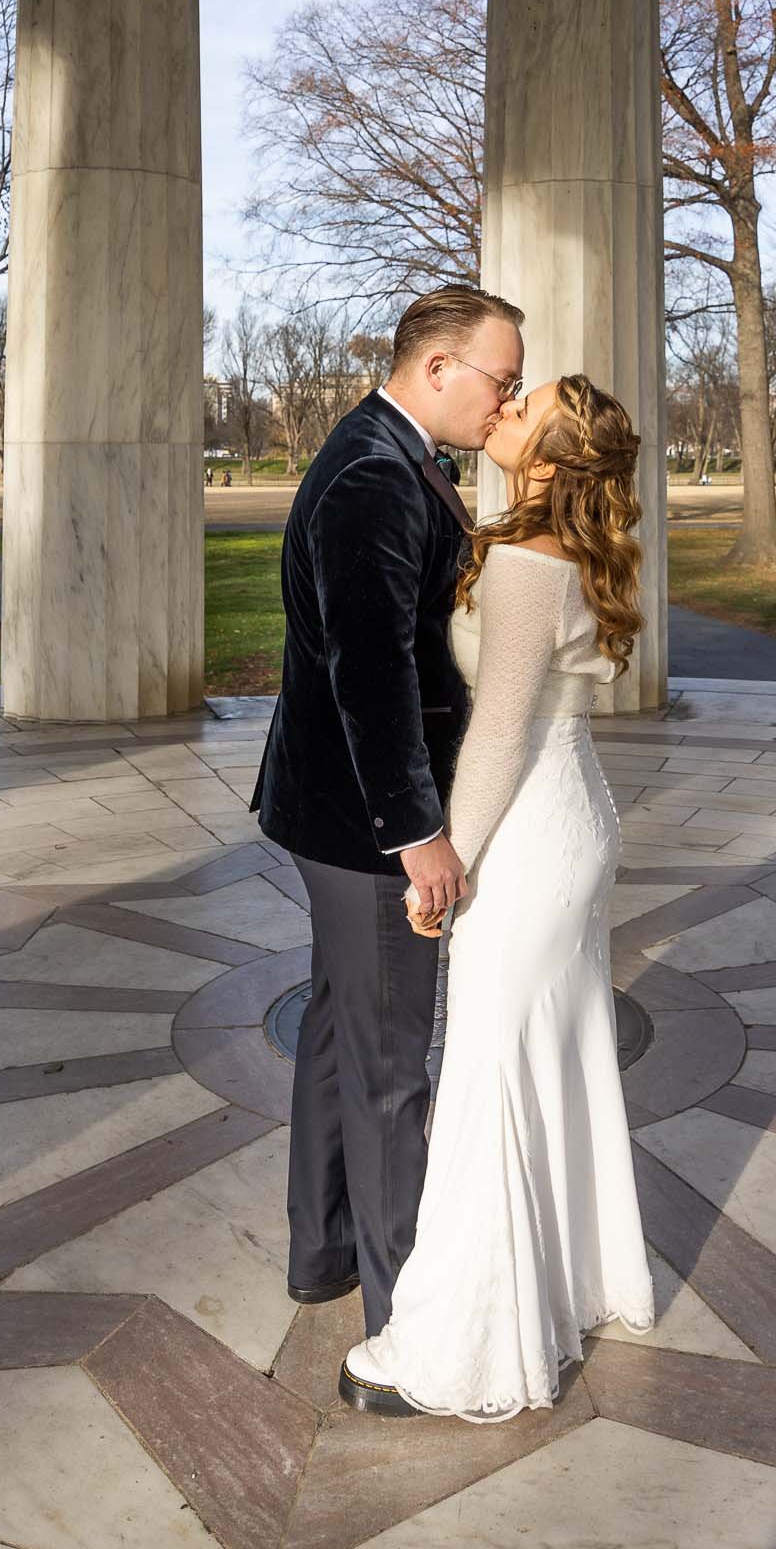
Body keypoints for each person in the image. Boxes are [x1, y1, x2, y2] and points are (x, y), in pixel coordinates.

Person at [340, 373, 656, 1420]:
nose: (504, 410)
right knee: (546, 1059)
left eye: (527, 410)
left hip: (523, 834)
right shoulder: (560, 551)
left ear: (555, 461)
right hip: (576, 818)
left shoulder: (525, 564)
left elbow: (500, 732)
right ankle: (565, 1283)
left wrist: (444, 858)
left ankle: (462, 1347)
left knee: (485, 1073)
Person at [250, 282, 525, 1347]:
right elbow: (369, 675)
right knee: (388, 1066)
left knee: (337, 1032)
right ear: (436, 367)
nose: (504, 400)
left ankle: (322, 1251)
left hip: (327, 814)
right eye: (499, 379)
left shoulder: (388, 453)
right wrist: (419, 839)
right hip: (366, 831)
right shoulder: (374, 475)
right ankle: (407, 1317)